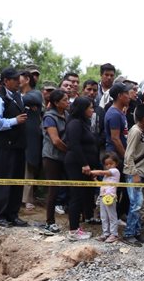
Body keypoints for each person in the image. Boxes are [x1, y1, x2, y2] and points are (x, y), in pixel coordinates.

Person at [0, 67, 29, 228]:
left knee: (17, 181)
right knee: (4, 180)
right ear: (6, 81)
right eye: (15, 79)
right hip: (3, 146)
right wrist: (14, 121)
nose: (19, 82)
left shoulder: (18, 96)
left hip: (18, 146)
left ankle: (13, 214)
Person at [63, 96, 99, 240]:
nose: (92, 110)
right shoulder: (75, 124)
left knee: (82, 195)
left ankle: (78, 226)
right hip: (76, 164)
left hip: (83, 164)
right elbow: (75, 145)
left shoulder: (84, 123)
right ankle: (73, 230)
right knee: (76, 196)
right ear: (82, 109)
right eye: (90, 107)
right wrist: (84, 164)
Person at [122, 104, 144, 246]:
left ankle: (136, 232)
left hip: (141, 172)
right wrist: (134, 173)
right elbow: (128, 155)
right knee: (136, 204)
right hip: (134, 173)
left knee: (138, 204)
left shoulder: (143, 130)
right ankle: (129, 234)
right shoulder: (135, 131)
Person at [40, 89, 69, 232]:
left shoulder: (67, 115)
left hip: (63, 156)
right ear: (56, 103)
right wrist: (70, 151)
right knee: (53, 189)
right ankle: (49, 221)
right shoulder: (49, 117)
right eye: (64, 100)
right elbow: (56, 141)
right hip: (51, 157)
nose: (67, 102)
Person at [97, 151, 121, 242]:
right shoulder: (106, 176)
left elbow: (101, 172)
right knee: (103, 216)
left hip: (110, 197)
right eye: (106, 164)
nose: (109, 166)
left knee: (112, 216)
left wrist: (92, 172)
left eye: (111, 163)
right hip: (103, 196)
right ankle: (105, 233)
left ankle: (114, 234)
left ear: (116, 163)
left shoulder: (115, 171)